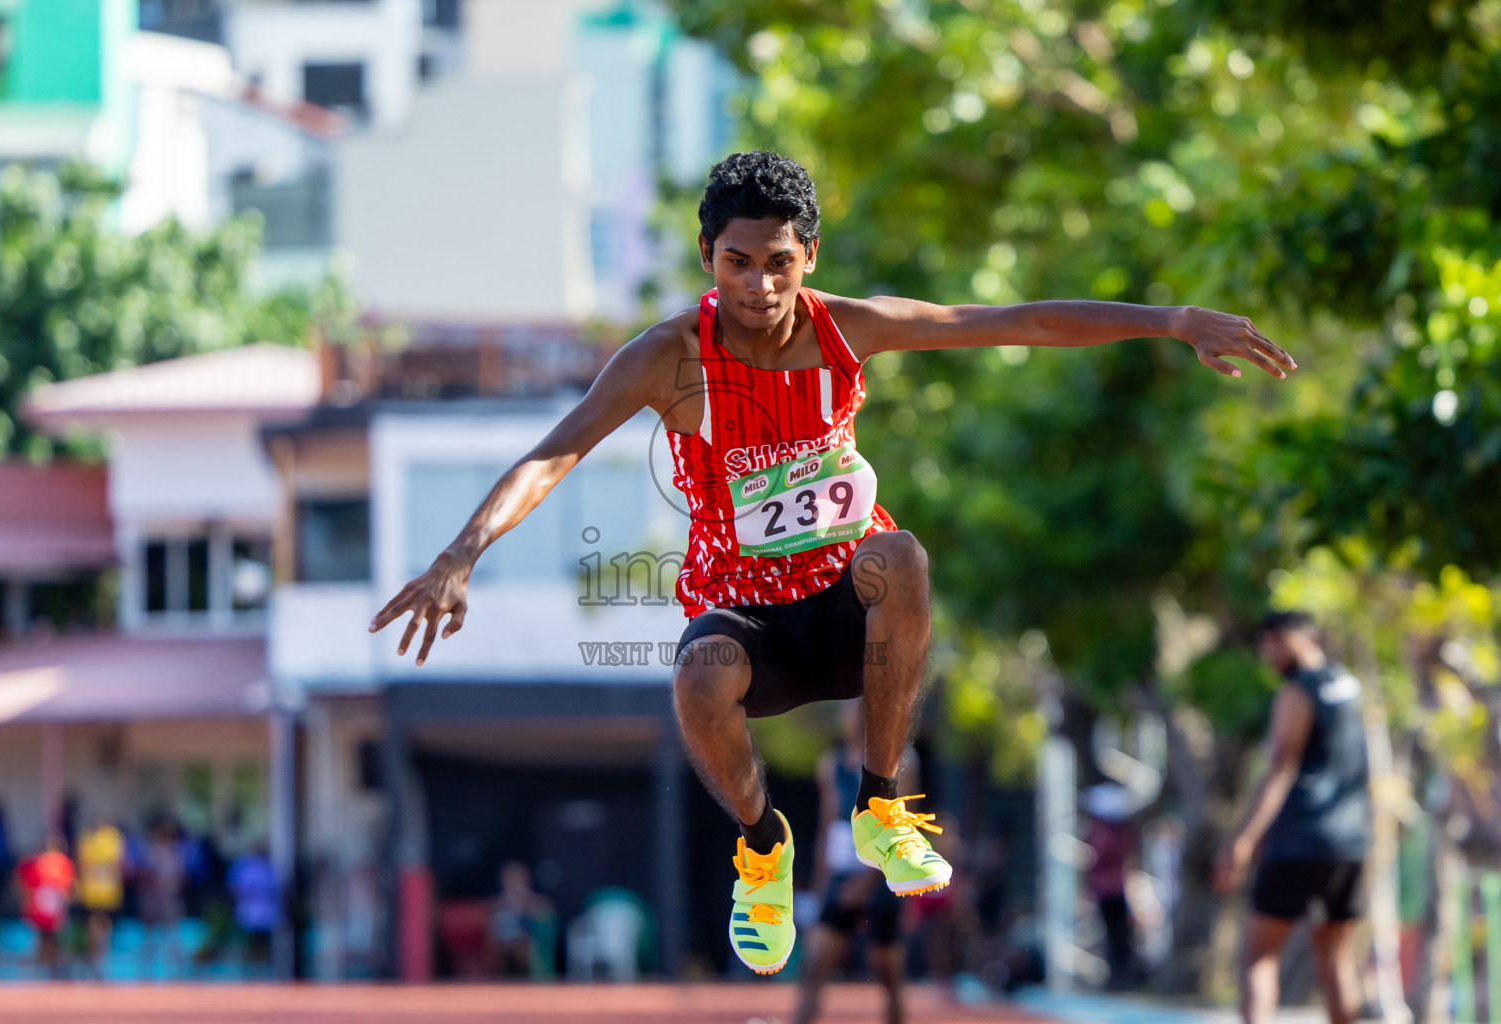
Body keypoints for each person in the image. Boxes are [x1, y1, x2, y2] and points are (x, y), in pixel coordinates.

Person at [367, 151, 1297, 973]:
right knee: (698, 679)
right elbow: (553, 453)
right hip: (749, 618)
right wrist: (461, 553)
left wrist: (1173, 318)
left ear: (808, 258)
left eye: (780, 264)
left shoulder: (851, 328)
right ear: (709, 259)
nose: (760, 287)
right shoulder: (667, 359)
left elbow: (1018, 321)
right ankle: (762, 849)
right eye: (739, 263)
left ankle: (881, 806)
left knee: (902, 554)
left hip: (850, 604)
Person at [1214, 611, 1370, 1024]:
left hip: (1298, 838)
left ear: (1302, 639)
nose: (1266, 653)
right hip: (1349, 841)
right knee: (1336, 957)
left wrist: (1242, 840)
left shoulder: (1296, 692)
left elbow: (1280, 769)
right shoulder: (1349, 685)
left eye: (1272, 642)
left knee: (1259, 957)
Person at [795, 701, 915, 1024]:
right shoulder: (831, 765)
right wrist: (820, 891)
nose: (858, 715)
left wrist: (868, 881)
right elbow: (826, 829)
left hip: (882, 881)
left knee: (887, 974)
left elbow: (903, 830)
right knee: (813, 966)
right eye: (852, 708)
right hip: (840, 878)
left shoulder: (901, 761)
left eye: (864, 708)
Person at [1083, 782, 1141, 989]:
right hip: (1115, 890)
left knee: (1116, 937)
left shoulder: (1106, 834)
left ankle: (1120, 977)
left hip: (1109, 891)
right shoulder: (1123, 834)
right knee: (1117, 936)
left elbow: (1097, 857)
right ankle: (1119, 975)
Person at [18, 832, 76, 978]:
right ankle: (42, 968)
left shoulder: (62, 863)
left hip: (54, 909)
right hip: (42, 910)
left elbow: (66, 887)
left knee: (55, 940)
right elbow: (28, 887)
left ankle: (53, 968)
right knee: (45, 940)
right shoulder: (35, 863)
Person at [76, 813, 125, 980]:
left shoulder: (90, 839)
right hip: (103, 892)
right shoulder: (112, 839)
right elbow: (118, 863)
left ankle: (96, 960)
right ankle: (98, 961)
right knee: (100, 927)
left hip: (97, 891)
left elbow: (83, 864)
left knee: (96, 926)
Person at [138, 818, 188, 978]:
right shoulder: (154, 852)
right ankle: (148, 968)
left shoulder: (174, 853)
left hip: (167, 898)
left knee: (171, 934)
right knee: (153, 934)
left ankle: (174, 969)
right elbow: (148, 876)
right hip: (156, 899)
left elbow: (178, 878)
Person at [491, 861, 556, 978]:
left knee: (525, 946)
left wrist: (526, 906)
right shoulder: (500, 903)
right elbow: (495, 926)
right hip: (505, 941)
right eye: (511, 879)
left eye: (518, 879)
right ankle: (502, 977)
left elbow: (547, 915)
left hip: (530, 941)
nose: (515, 883)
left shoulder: (535, 900)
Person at [228, 844, 279, 966]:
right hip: (259, 915)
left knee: (257, 949)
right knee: (258, 948)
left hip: (254, 915)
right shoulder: (266, 867)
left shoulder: (246, 867)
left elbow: (234, 889)